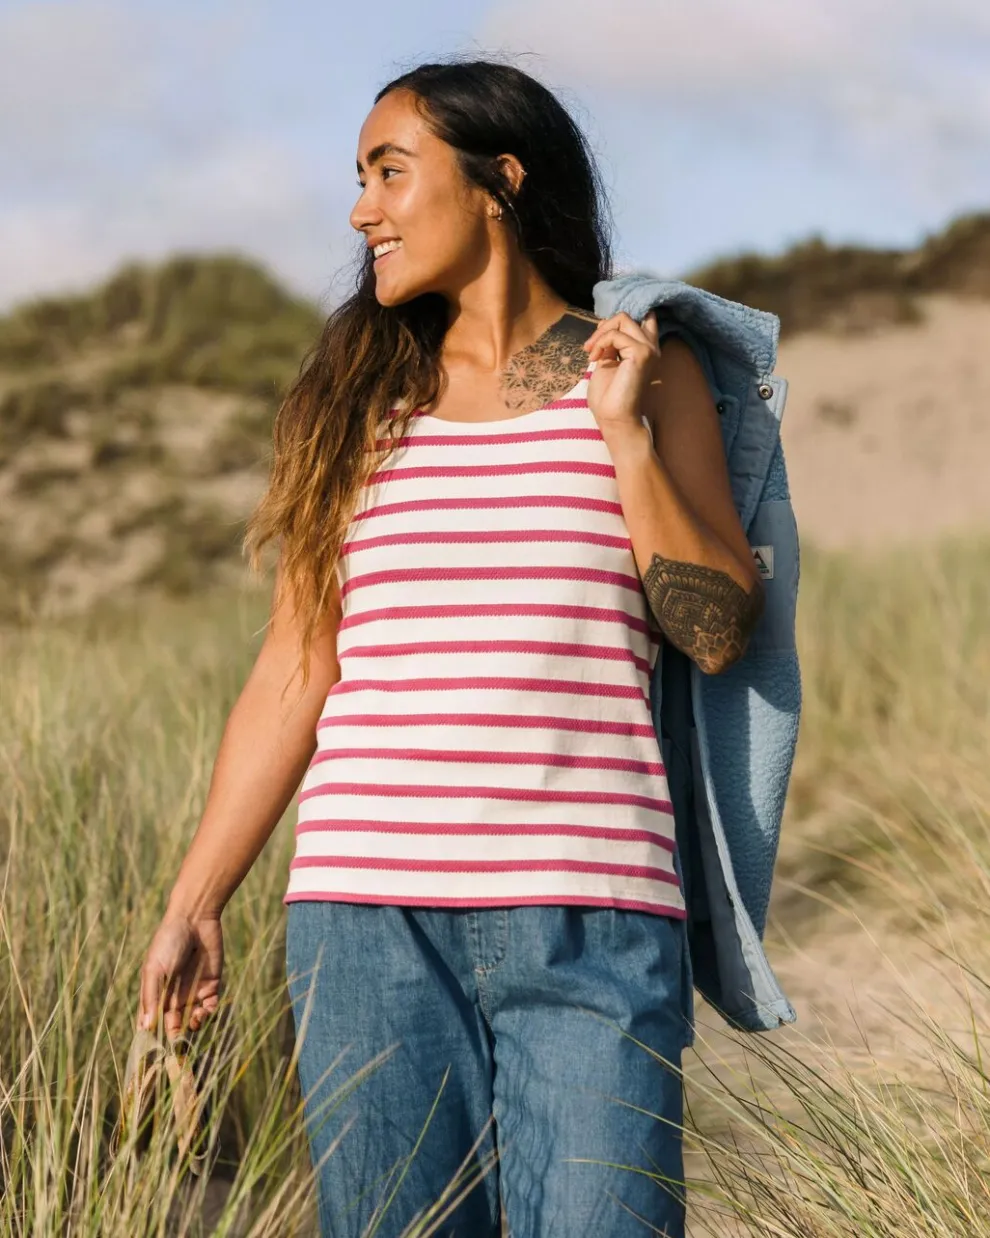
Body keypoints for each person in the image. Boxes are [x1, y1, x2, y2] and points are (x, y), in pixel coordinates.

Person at [137, 58, 766, 1238]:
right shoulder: (352, 405)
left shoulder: (645, 372)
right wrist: (197, 897)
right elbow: (294, 665)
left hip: (593, 912)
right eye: (358, 178)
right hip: (365, 919)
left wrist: (624, 445)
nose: (361, 209)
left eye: (389, 171)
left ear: (498, 183)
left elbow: (718, 630)